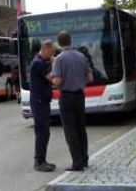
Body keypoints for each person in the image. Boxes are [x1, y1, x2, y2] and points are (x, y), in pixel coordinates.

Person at [51, 31, 93, 172]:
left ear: (59, 43)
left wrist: (52, 79)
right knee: (81, 127)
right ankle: (85, 158)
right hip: (80, 95)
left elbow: (58, 81)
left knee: (70, 130)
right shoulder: (82, 56)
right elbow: (90, 78)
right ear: (70, 41)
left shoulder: (59, 59)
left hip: (67, 97)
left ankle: (77, 163)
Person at [29, 40, 56, 172]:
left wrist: (51, 61)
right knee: (42, 132)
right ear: (45, 48)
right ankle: (39, 161)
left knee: (45, 132)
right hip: (39, 102)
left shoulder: (41, 61)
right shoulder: (38, 63)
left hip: (42, 101)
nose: (52, 55)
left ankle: (42, 159)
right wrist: (55, 63)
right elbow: (52, 78)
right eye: (51, 52)